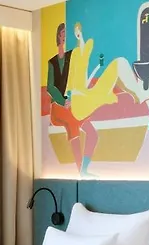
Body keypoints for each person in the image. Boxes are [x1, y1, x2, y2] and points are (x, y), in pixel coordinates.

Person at [64, 23, 149, 177]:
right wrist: (68, 98)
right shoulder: (75, 59)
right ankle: (83, 171)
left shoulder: (81, 60)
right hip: (81, 103)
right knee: (89, 134)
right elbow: (70, 86)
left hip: (86, 98)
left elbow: (84, 74)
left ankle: (138, 94)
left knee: (119, 63)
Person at [46, 23, 97, 175]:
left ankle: (85, 168)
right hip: (58, 108)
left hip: (73, 105)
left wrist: (80, 37)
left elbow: (82, 53)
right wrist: (63, 101)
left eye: (67, 33)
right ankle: (80, 171)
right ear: (59, 36)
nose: (65, 35)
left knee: (92, 133)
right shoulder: (52, 62)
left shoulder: (72, 56)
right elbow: (50, 87)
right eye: (63, 33)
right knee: (73, 124)